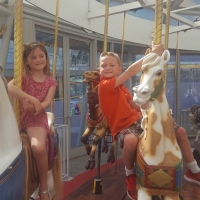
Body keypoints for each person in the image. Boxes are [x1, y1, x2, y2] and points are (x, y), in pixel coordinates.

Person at [98, 42, 200, 200]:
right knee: (131, 141)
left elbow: (135, 106)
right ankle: (130, 174)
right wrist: (153, 54)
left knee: (180, 131)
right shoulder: (104, 86)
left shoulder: (122, 88)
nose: (108, 67)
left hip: (138, 120)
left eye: (112, 65)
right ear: (99, 70)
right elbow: (131, 71)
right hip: (123, 126)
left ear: (118, 69)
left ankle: (193, 170)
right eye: (104, 65)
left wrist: (149, 106)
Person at [8, 42, 57, 200]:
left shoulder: (51, 81)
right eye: (33, 57)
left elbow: (47, 101)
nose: (38, 59)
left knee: (37, 147)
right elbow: (10, 88)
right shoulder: (24, 77)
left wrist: (37, 107)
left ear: (46, 58)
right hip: (19, 116)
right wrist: (30, 98)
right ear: (27, 61)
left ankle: (43, 188)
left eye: (41, 56)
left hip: (36, 118)